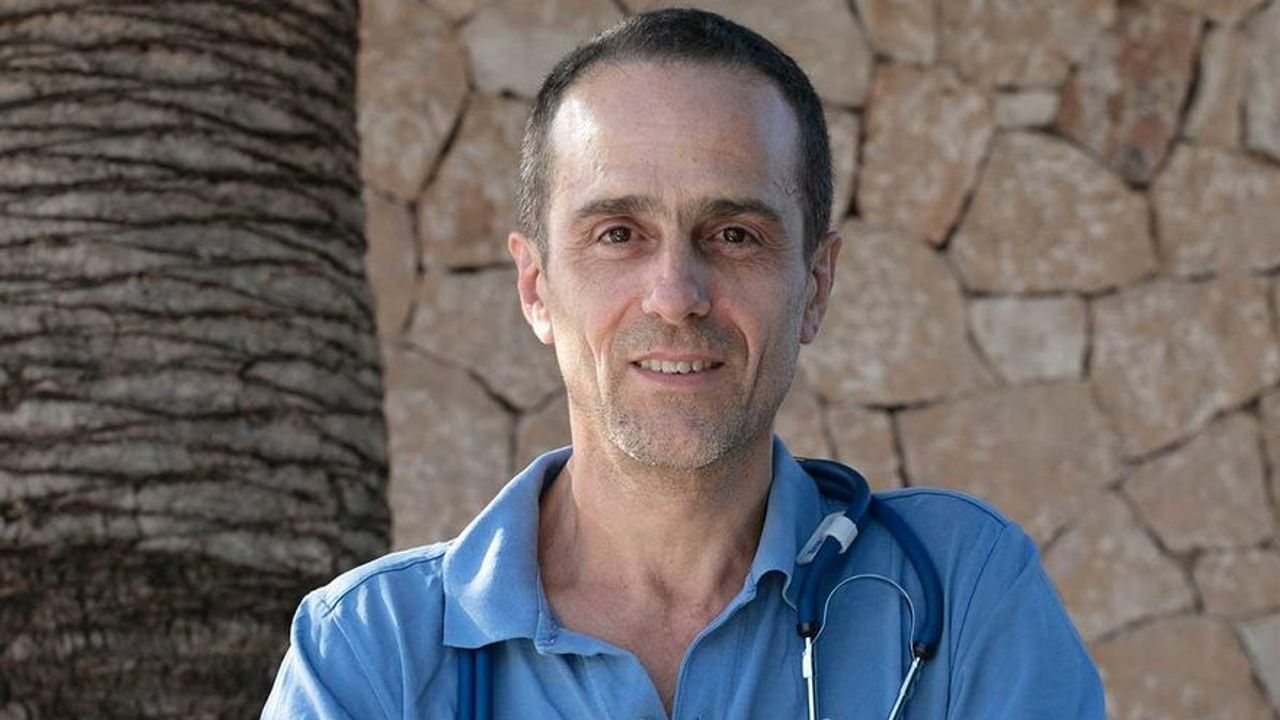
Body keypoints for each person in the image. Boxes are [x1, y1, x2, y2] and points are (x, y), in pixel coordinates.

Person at [262, 9, 1104, 719]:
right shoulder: (368, 653)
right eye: (617, 234)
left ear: (815, 286)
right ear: (536, 288)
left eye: (734, 234)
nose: (675, 295)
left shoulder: (962, 596)